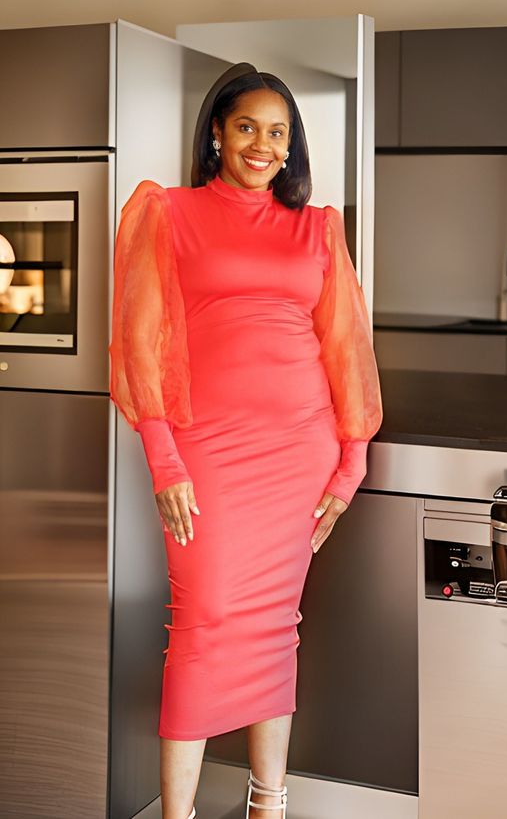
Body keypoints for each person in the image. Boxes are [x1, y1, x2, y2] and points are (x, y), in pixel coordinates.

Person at [108, 62, 383, 819]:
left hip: (301, 450)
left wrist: (350, 458)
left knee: (275, 628)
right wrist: (163, 459)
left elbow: (345, 346)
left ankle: (270, 803)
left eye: (278, 133)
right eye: (246, 128)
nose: (263, 146)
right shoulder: (167, 213)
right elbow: (139, 346)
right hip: (207, 453)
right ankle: (178, 813)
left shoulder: (316, 225)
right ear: (216, 134)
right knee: (200, 626)